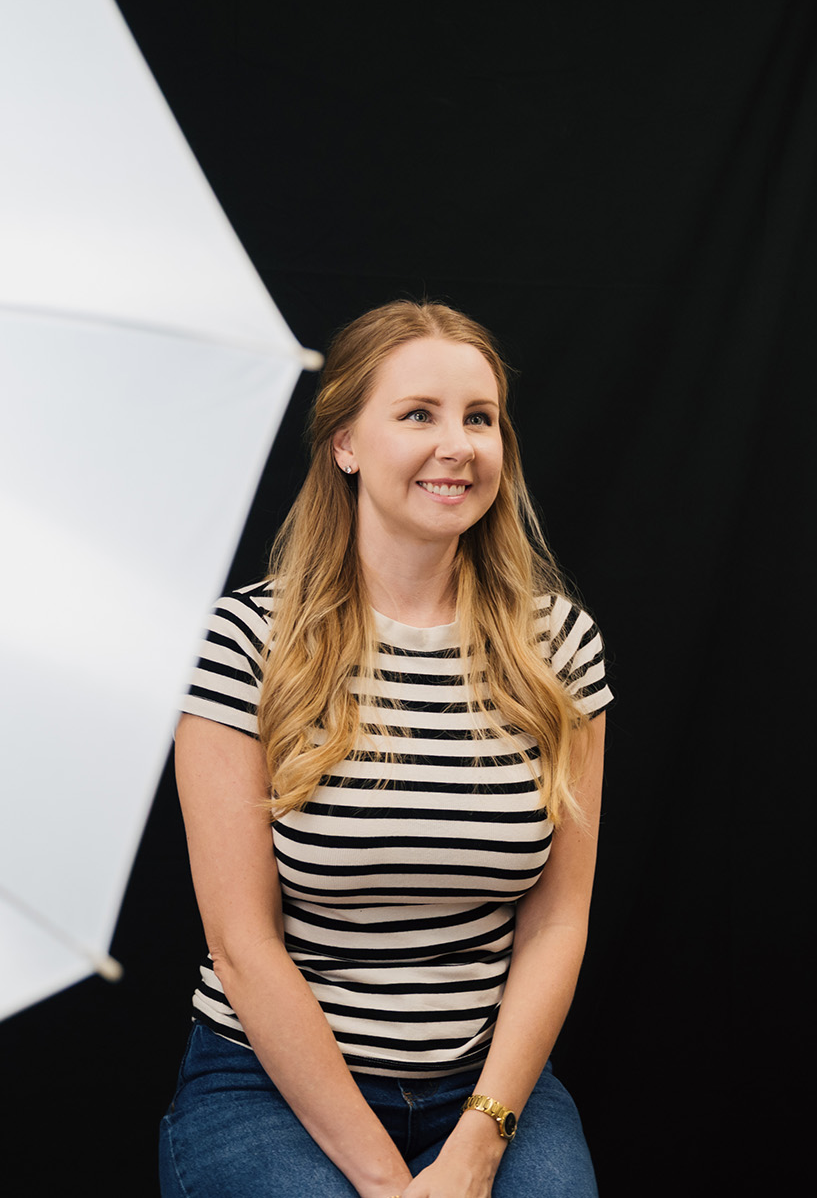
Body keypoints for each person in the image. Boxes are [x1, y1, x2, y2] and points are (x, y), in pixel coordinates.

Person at [157, 301, 610, 1198]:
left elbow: (558, 922)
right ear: (346, 444)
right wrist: (385, 1178)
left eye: (480, 417)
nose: (460, 445)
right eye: (418, 414)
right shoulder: (244, 642)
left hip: (485, 1091)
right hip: (268, 1086)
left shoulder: (559, 646)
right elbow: (242, 943)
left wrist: (479, 1144)